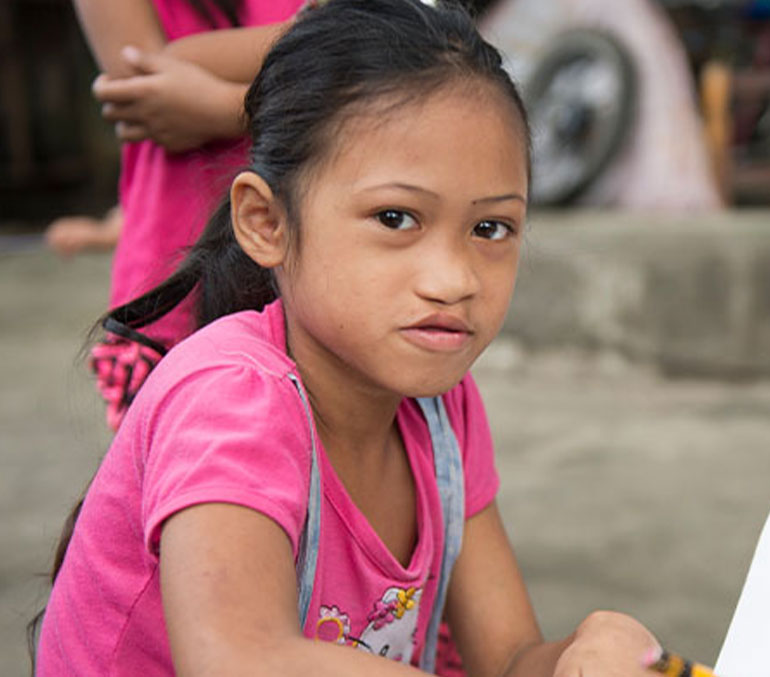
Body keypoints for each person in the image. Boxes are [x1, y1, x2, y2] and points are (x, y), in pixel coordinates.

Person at [34, 2, 672, 675]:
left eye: (490, 228)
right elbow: (239, 661)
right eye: (396, 217)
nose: (452, 279)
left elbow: (509, 655)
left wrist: (577, 660)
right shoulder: (231, 399)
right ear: (266, 222)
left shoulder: (441, 411)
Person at [71, 0, 302, 429]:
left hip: (313, 272)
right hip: (175, 284)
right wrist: (318, 42)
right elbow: (143, 83)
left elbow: (378, 64)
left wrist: (223, 106)